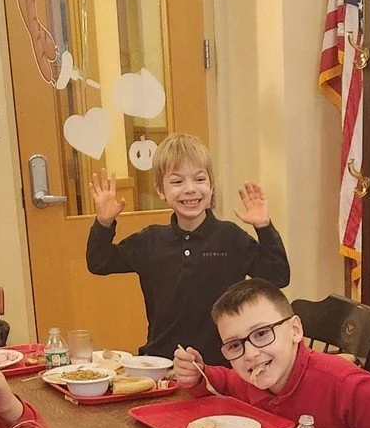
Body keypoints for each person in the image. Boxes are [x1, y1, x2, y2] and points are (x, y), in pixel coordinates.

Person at [85, 133, 290, 367]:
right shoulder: (150, 241)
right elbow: (99, 262)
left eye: (199, 179)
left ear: (211, 186)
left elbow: (278, 276)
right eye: (177, 182)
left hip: (221, 365)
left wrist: (264, 227)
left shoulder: (231, 237)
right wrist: (104, 222)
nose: (190, 189)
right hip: (162, 362)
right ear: (160, 190)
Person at [172, 279, 370, 428]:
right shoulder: (252, 380)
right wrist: (199, 375)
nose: (250, 354)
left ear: (295, 330)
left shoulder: (350, 386)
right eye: (235, 345)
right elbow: (226, 382)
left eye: (261, 334)